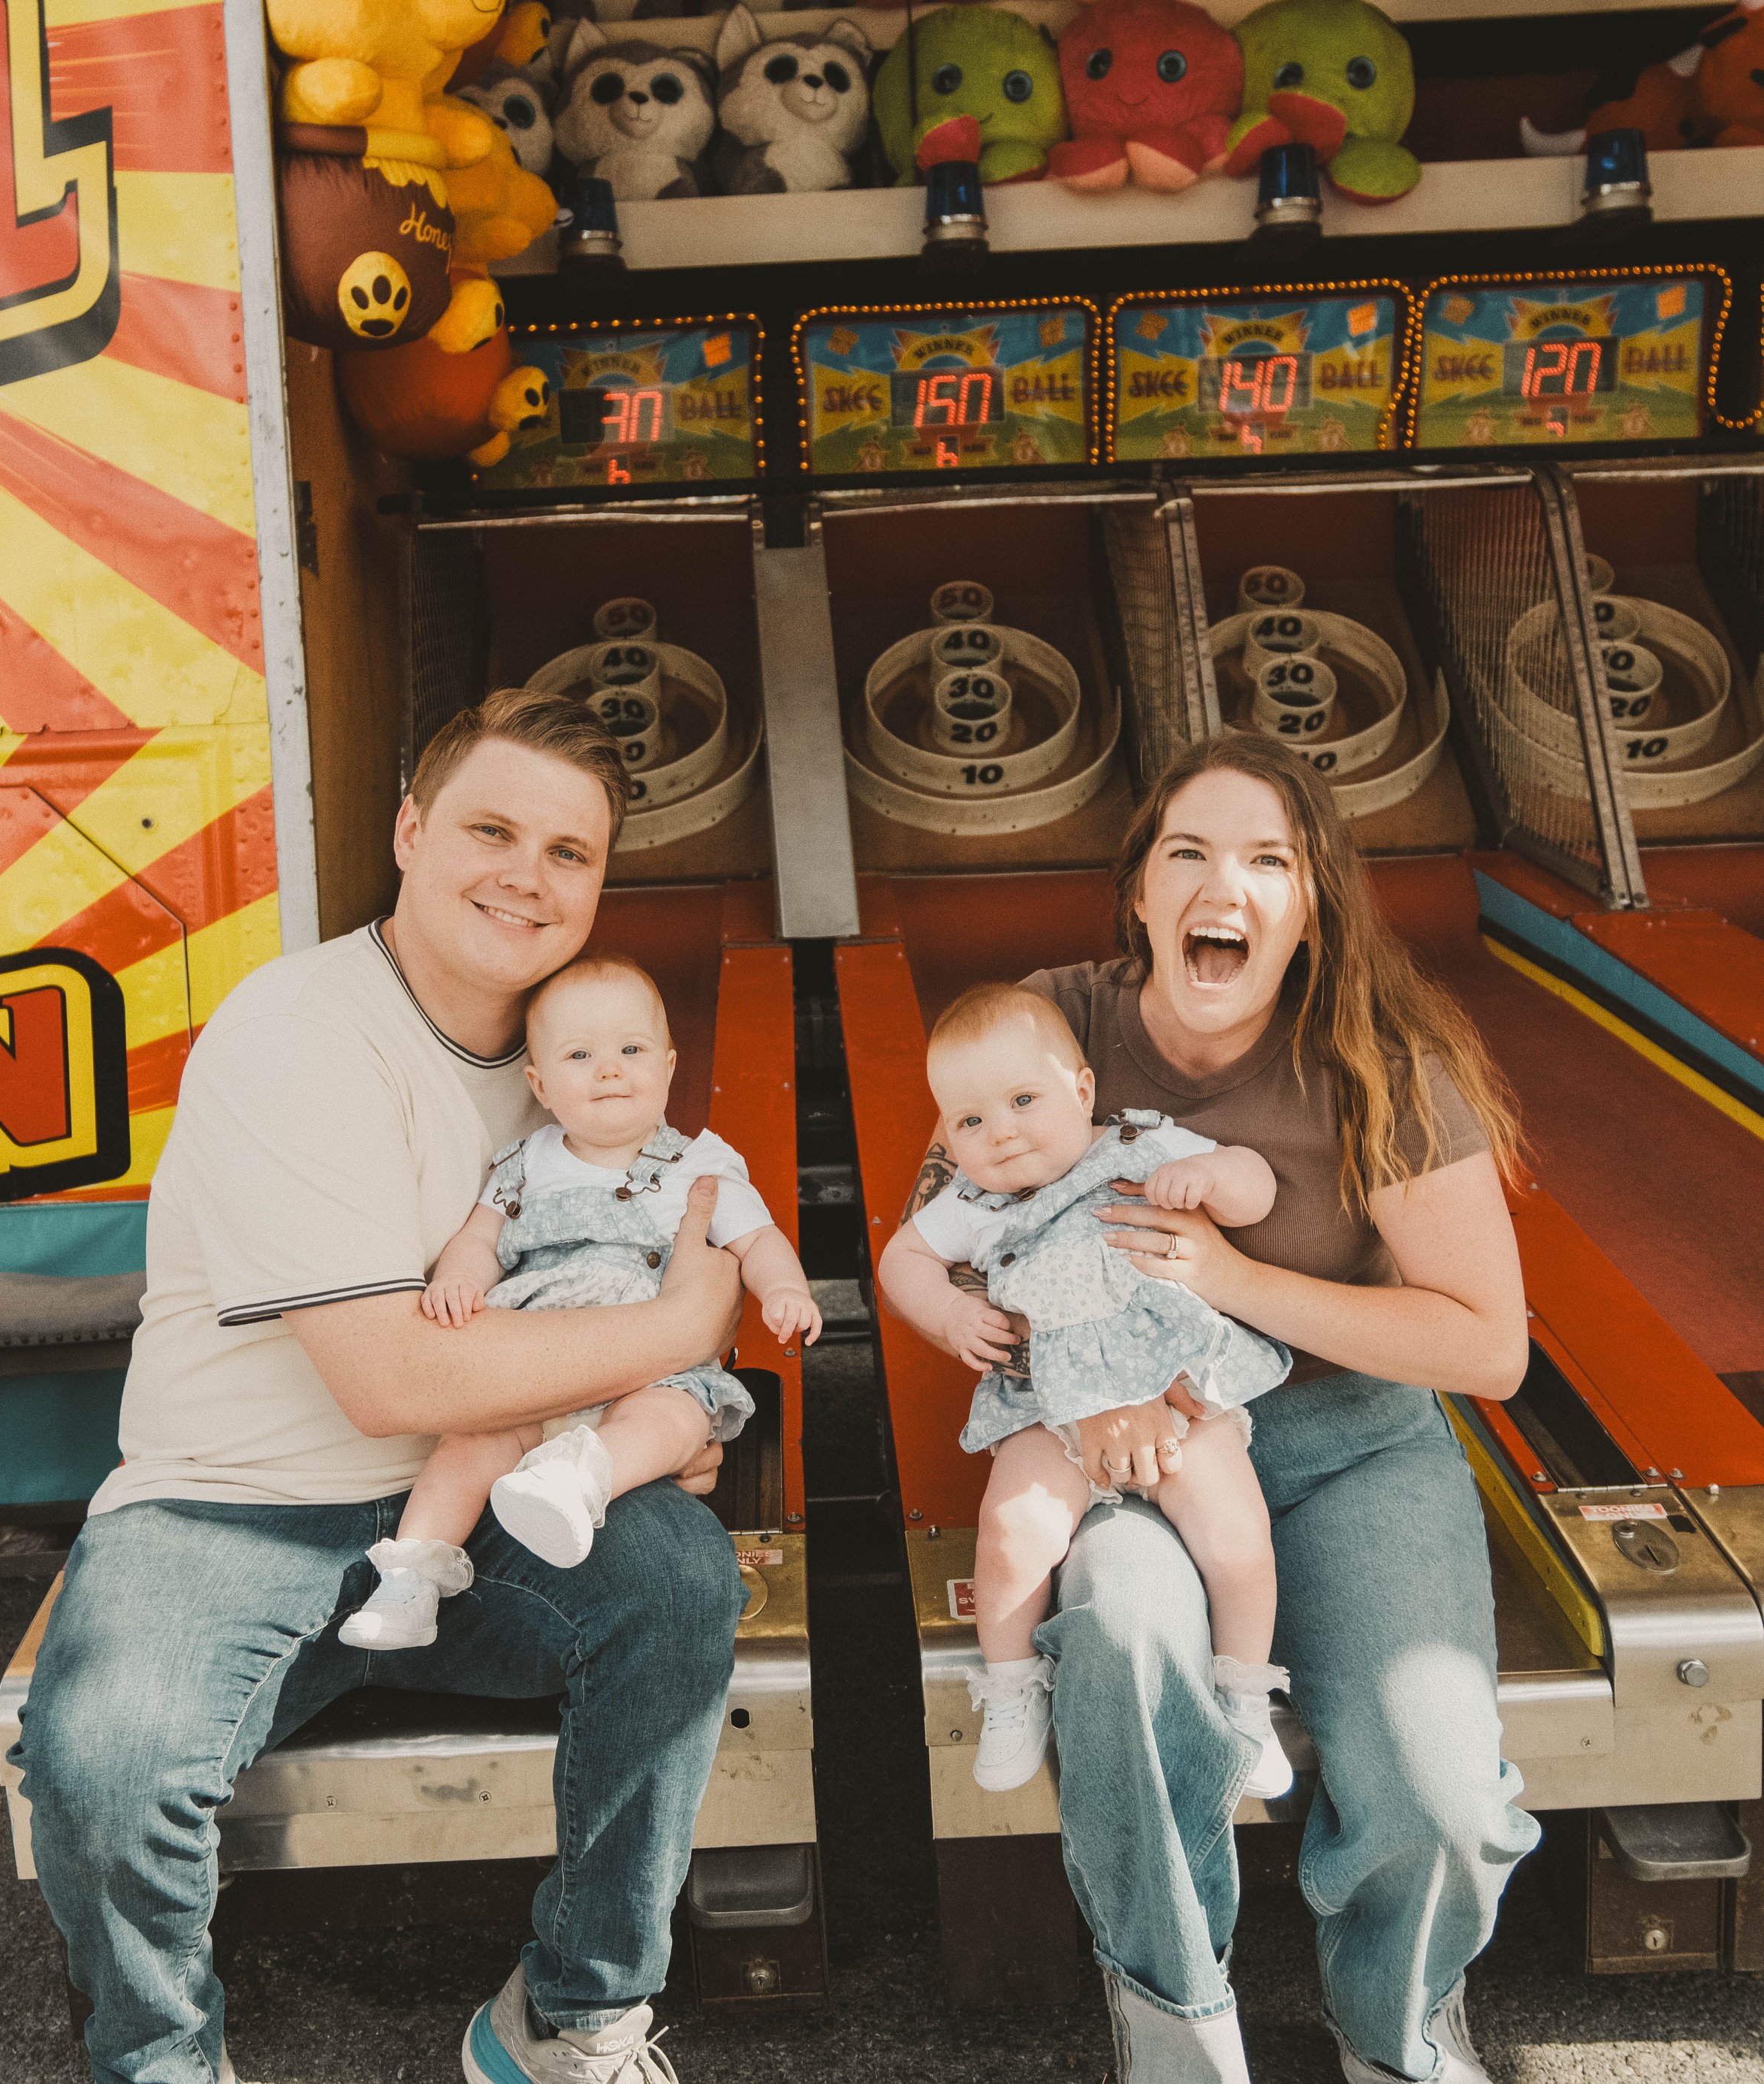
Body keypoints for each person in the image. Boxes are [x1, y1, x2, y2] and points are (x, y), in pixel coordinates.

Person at [11, 689, 749, 2084]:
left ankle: (574, 2017)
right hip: (228, 1513)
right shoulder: (302, 1029)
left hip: (469, 1497)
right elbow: (391, 1376)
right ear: (409, 832)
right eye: (489, 828)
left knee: (679, 1581)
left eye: (569, 853)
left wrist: (642, 1422)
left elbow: (641, 1269)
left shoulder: (565, 1066)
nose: (526, 877)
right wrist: (670, 1338)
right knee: (105, 1760)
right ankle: (159, 2056)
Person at [902, 734, 1539, 2084]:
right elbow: (943, 1245)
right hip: (1131, 1438)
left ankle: (1399, 2026)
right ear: (1141, 892)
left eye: (1268, 860)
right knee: (1126, 1647)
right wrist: (1072, 1409)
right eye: (1188, 852)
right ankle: (1175, 2020)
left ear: (1311, 906)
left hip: (1356, 1443)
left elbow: (1488, 1348)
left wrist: (1240, 1280)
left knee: (1440, 1797)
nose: (1223, 885)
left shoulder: (1381, 1061)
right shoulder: (1052, 1028)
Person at [879, 983, 1292, 1796]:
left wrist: (1212, 1173)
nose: (997, 1133)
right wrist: (949, 1311)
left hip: (1176, 1386)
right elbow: (901, 1259)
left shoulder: (1143, 1145)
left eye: (1022, 1100)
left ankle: (1243, 1695)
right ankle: (1010, 1685)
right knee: (1009, 1532)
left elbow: (1258, 1185)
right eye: (968, 1121)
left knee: (1237, 1540)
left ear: (1082, 1091)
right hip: (1050, 1403)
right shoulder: (974, 1202)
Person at [342, 955, 819, 1647]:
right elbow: (481, 1237)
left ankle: (579, 1483)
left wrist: (784, 1287)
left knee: (675, 1420)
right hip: (532, 1364)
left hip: (646, 1372)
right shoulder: (525, 1164)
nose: (610, 1069)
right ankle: (410, 1580)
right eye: (580, 1054)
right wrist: (459, 1279)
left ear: (670, 1065)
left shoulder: (700, 1166)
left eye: (632, 1050)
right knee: (466, 1448)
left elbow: (758, 1239)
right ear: (539, 1081)